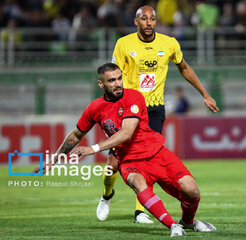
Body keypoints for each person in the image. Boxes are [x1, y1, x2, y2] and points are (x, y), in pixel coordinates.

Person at [33, 63, 217, 237]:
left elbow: (127, 133)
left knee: (191, 190)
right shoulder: (94, 108)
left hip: (157, 153)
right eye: (112, 80)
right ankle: (172, 226)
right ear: (101, 84)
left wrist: (93, 148)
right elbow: (75, 135)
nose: (118, 83)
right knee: (137, 183)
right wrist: (53, 160)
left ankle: (187, 221)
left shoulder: (133, 97)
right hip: (130, 161)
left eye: (119, 78)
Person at [97, 5, 219, 223]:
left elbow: (184, 67)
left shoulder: (169, 43)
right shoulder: (123, 44)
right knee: (113, 164)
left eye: (152, 19)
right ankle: (107, 195)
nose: (149, 23)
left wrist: (204, 94)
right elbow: (114, 77)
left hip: (153, 110)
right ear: (136, 22)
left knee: (148, 159)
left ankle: (140, 211)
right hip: (127, 110)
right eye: (144, 19)